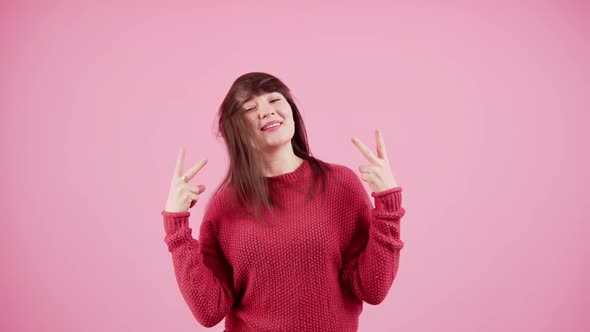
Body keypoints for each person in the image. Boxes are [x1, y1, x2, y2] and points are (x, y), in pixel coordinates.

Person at [161, 72, 406, 331]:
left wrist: (388, 206)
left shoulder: (340, 184)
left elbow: (373, 290)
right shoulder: (224, 206)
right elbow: (209, 311)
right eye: (250, 108)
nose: (266, 111)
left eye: (274, 99)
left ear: (291, 111)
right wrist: (177, 229)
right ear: (237, 132)